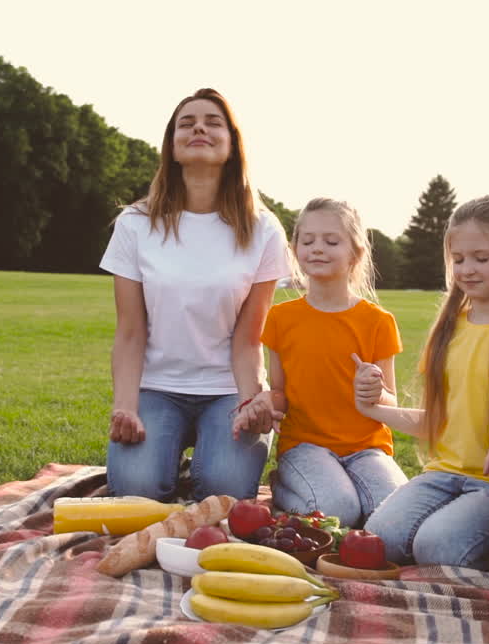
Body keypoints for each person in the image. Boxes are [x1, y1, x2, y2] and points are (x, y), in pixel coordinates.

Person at [355, 195, 489, 568]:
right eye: (458, 259)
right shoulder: (449, 329)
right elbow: (437, 421)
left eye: (481, 258)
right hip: (441, 475)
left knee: (436, 548)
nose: (467, 269)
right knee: (379, 541)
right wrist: (372, 406)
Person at [99, 88, 291, 502]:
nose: (199, 127)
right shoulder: (135, 224)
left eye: (212, 122)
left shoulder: (263, 228)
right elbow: (130, 332)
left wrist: (248, 402)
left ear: (232, 144)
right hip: (156, 387)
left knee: (224, 491)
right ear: (171, 146)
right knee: (137, 489)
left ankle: (202, 451)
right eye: (186, 123)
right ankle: (164, 453)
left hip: (224, 387)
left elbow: (248, 338)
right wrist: (126, 407)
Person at [232, 198, 408, 528]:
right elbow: (281, 393)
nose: (317, 248)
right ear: (295, 248)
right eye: (307, 240)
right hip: (305, 445)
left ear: (355, 252)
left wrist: (374, 391)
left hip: (368, 449)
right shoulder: (282, 318)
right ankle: (284, 483)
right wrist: (265, 399)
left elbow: (391, 402)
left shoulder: (378, 322)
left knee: (394, 519)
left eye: (331, 241)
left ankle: (337, 485)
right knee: (338, 511)